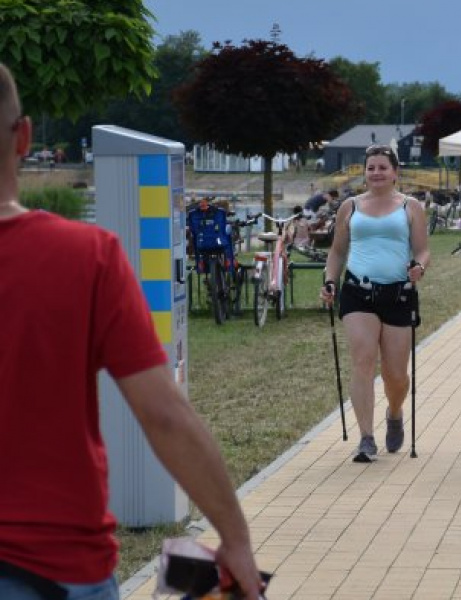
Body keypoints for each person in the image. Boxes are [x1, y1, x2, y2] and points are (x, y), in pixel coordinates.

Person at [0, 63, 264, 600]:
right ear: (24, 136)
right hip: (54, 569)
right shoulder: (84, 258)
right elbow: (164, 414)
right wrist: (234, 538)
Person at [320, 144, 430, 462]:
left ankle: (394, 412)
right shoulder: (350, 207)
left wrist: (419, 267)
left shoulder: (411, 207)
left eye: (383, 167)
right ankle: (366, 438)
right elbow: (337, 251)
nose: (376, 173)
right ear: (364, 173)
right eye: (371, 168)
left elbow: (422, 250)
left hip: (398, 294)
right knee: (363, 362)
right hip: (358, 292)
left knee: (396, 375)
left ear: (395, 172)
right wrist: (331, 280)